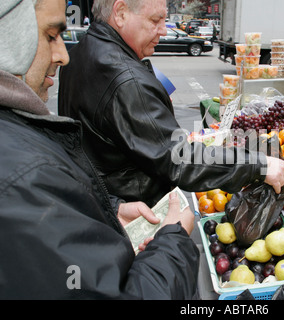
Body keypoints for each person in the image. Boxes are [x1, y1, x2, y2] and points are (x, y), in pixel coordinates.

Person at [0, 0, 199, 299]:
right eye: (51, 35)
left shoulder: (87, 51)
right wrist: (173, 240)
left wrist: (108, 210)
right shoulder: (25, 176)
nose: (62, 55)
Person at [58, 0, 284, 208]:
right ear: (120, 13)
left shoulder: (79, 52)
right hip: (133, 206)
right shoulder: (127, 80)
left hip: (103, 195)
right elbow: (179, 158)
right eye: (155, 20)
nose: (163, 30)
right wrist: (258, 165)